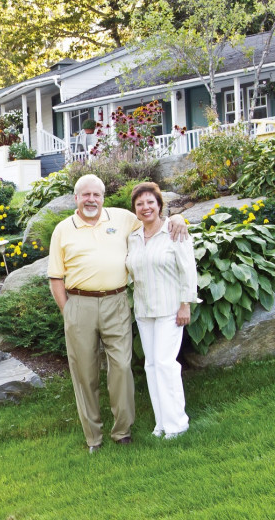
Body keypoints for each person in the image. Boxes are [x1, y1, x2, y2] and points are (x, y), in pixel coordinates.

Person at [47, 174, 186, 453]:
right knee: (84, 373)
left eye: (96, 195)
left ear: (103, 197)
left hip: (116, 301)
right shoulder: (63, 229)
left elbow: (153, 220)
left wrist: (177, 219)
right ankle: (93, 437)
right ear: (76, 199)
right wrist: (69, 311)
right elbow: (55, 278)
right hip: (79, 304)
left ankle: (122, 430)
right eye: (85, 195)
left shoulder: (122, 218)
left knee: (121, 367)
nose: (91, 200)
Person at [126, 182, 198, 440]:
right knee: (152, 365)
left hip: (171, 309)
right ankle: (161, 423)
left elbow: (188, 269)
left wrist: (185, 303)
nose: (145, 208)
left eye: (150, 202)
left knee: (166, 364)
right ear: (134, 209)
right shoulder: (133, 237)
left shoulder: (174, 230)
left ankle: (178, 424)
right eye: (140, 204)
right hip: (145, 311)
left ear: (159, 205)